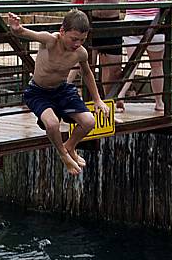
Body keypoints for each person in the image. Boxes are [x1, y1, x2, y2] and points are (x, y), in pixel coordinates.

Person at [8, 9, 110, 176]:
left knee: (89, 122)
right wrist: (16, 28)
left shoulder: (80, 53)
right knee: (53, 124)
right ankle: (63, 154)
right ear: (62, 32)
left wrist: (98, 99)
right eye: (74, 39)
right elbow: (25, 33)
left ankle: (70, 146)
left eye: (82, 40)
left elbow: (87, 73)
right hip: (38, 92)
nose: (77, 43)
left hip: (62, 91)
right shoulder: (50, 41)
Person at [71, 0, 124, 110]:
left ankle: (109, 103)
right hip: (91, 20)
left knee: (114, 69)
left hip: (111, 21)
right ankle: (92, 104)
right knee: (87, 66)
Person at [122, 0, 167, 112]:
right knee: (157, 66)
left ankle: (120, 97)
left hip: (132, 22)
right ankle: (159, 102)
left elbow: (128, 0)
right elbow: (163, 2)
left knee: (131, 64)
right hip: (152, 25)